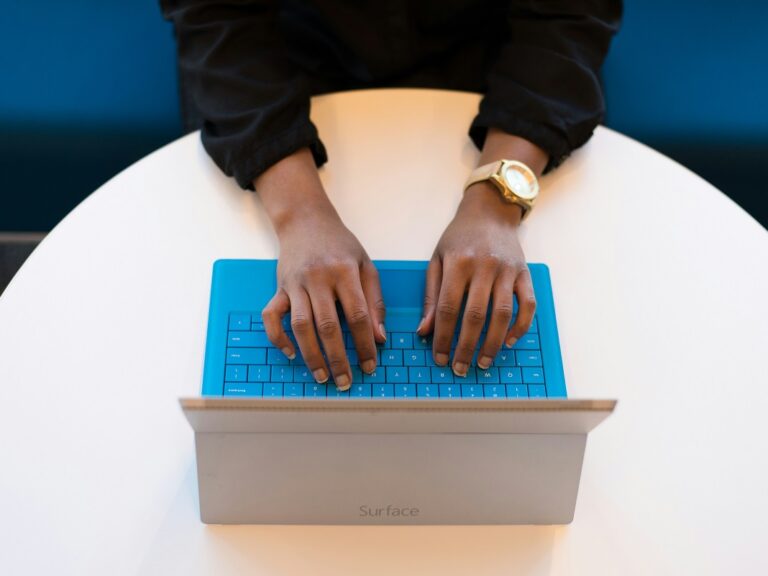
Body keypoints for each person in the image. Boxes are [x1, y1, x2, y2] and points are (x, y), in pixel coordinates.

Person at [160, 0, 623, 391]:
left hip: (500, 68)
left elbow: (570, 13)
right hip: (278, 70)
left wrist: (494, 204)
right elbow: (216, 14)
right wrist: (301, 213)